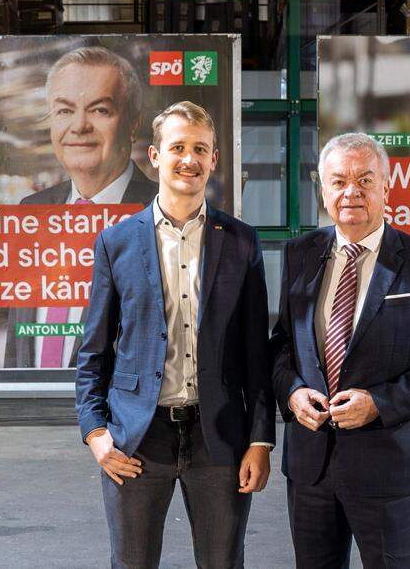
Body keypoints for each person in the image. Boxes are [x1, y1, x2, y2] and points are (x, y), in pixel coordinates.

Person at [75, 101, 274, 568]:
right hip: (137, 439)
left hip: (220, 438)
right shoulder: (117, 242)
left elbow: (255, 356)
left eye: (200, 149)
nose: (189, 159)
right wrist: (96, 434)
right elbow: (94, 353)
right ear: (155, 155)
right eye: (178, 147)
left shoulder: (242, 241)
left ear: (214, 159)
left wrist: (260, 441)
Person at [271, 132, 410, 568]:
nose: (351, 192)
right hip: (311, 466)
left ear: (386, 186)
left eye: (365, 179)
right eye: (339, 181)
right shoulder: (299, 255)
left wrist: (379, 403)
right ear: (323, 189)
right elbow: (284, 344)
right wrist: (292, 393)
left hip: (387, 468)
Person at [5, 46, 158, 368]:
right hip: (32, 411)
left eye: (100, 110)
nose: (79, 126)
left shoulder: (163, 214)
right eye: (63, 110)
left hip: (117, 416)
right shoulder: (31, 211)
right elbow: (17, 341)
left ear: (132, 123)